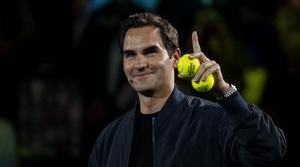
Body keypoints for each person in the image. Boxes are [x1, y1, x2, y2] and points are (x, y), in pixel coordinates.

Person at [88, 12, 287, 167]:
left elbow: (269, 151)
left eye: (150, 52)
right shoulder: (110, 138)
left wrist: (225, 92)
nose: (139, 64)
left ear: (175, 58)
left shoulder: (213, 121)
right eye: (130, 55)